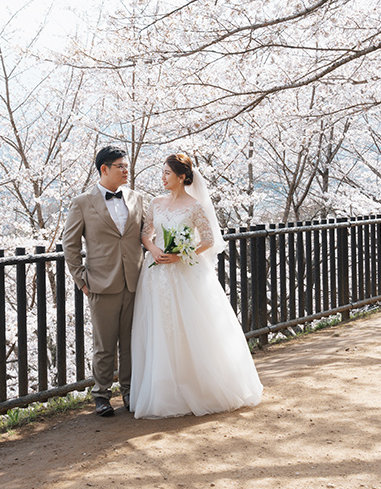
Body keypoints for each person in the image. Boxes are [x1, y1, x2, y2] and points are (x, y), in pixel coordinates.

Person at [130, 153, 262, 418]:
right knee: (160, 327)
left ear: (181, 177)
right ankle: (164, 388)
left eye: (167, 173)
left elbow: (209, 240)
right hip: (157, 275)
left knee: (190, 326)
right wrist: (155, 249)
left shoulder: (195, 206)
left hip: (185, 272)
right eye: (162, 172)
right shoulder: (156, 203)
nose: (163, 177)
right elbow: (146, 234)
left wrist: (180, 254)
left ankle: (198, 387)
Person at [63, 145, 148, 417]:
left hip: (135, 281)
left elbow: (146, 234)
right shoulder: (82, 202)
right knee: (104, 344)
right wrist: (81, 280)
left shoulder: (137, 198)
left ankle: (129, 391)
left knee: (131, 341)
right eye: (121, 166)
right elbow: (70, 244)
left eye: (127, 166)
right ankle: (101, 394)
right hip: (100, 283)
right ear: (104, 169)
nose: (126, 170)